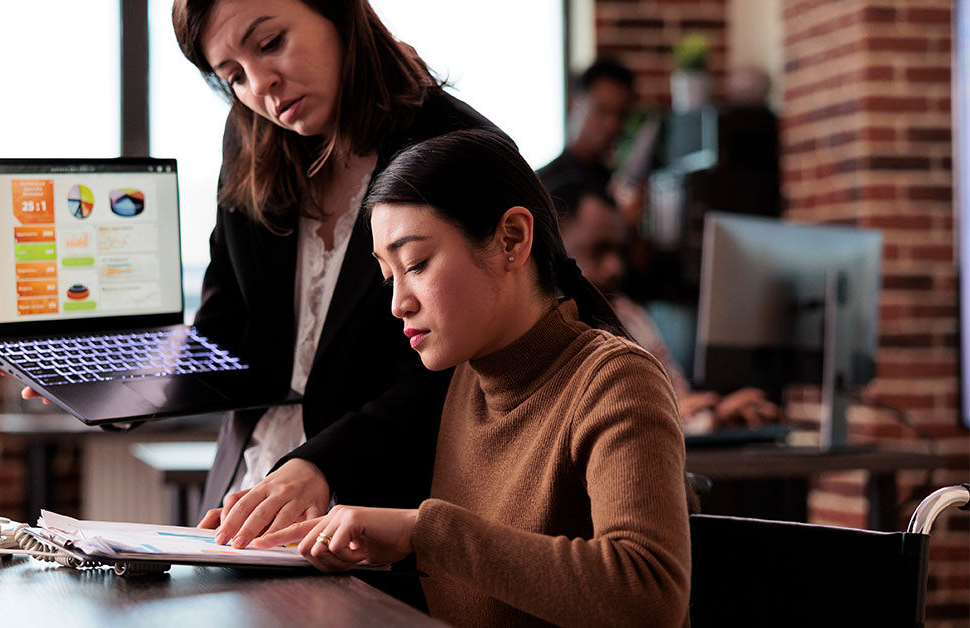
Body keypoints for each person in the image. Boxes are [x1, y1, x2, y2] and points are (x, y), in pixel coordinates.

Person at [0, 0, 510, 555]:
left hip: (388, 505)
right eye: (232, 75)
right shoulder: (249, 142)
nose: (262, 85)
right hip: (250, 494)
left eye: (270, 43)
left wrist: (321, 463)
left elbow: (463, 372)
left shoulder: (456, 147)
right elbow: (226, 329)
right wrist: (109, 380)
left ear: (339, 14)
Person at [256, 130, 692, 628]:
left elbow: (650, 597)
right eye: (388, 275)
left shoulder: (615, 381)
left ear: (512, 239)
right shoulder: (464, 377)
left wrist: (424, 532)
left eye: (416, 264)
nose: (398, 303)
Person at [556, 184, 780, 432]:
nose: (615, 267)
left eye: (620, 252)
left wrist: (717, 413)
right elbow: (602, 423)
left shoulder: (629, 313)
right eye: (599, 251)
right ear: (555, 247)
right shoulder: (552, 332)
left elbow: (676, 398)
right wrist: (683, 414)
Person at [537, 58, 638, 224]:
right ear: (574, 105)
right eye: (603, 110)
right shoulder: (544, 185)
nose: (613, 125)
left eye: (621, 114)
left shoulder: (614, 186)